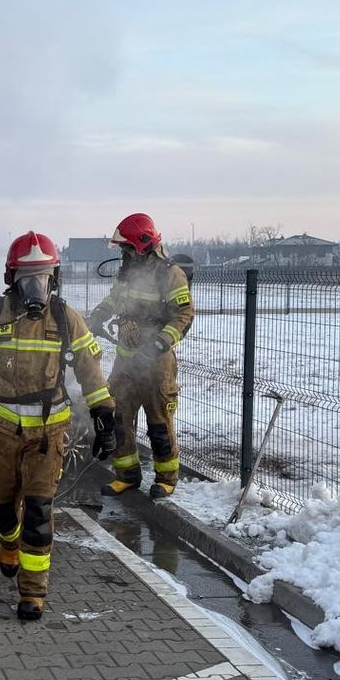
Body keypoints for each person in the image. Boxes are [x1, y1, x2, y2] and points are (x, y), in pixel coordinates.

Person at [0, 231, 115, 621]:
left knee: (38, 510)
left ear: (55, 278)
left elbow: (91, 370)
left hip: (48, 435)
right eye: (26, 278)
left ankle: (33, 593)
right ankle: (8, 540)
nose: (36, 287)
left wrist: (105, 415)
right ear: (11, 279)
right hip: (0, 431)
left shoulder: (66, 319)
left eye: (43, 277)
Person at [86, 213, 195, 499]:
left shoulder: (170, 275)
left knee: (159, 423)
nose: (124, 254)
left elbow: (184, 314)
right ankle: (127, 475)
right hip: (126, 359)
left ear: (143, 245)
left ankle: (166, 478)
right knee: (119, 418)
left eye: (127, 248)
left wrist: (159, 343)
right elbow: (116, 298)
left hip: (156, 362)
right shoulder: (128, 272)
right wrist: (99, 313)